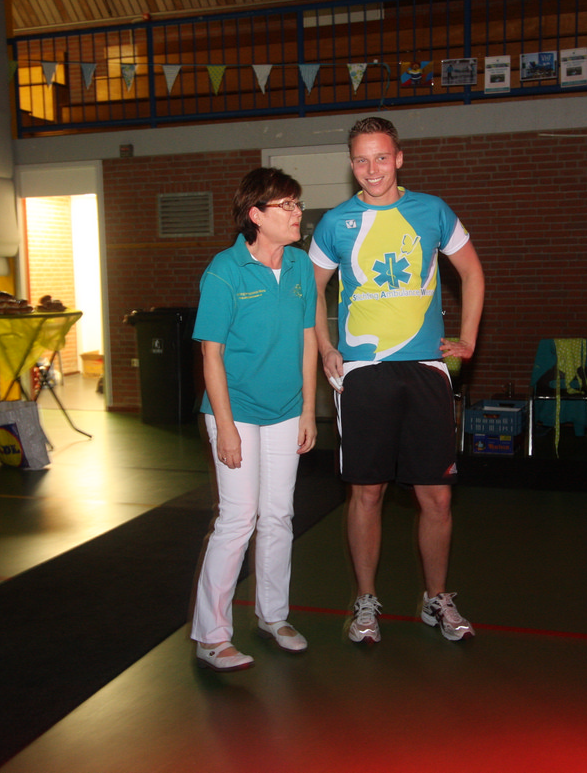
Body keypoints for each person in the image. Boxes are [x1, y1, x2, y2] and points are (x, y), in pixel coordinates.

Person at [308, 116, 485, 644]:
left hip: (426, 369)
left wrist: (468, 339)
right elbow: (310, 291)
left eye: (381, 157)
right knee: (367, 492)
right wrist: (325, 347)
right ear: (351, 164)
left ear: (399, 158)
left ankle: (437, 598)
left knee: (437, 498)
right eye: (362, 160)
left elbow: (472, 272)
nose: (372, 169)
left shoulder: (432, 211)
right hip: (363, 373)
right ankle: (365, 602)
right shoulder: (335, 223)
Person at [190, 167, 319, 671]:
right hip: (236, 411)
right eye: (286, 205)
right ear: (256, 215)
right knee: (238, 518)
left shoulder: (301, 266)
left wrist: (309, 410)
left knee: (279, 515)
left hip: (286, 411)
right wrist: (225, 427)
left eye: (297, 203)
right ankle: (211, 635)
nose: (297, 213)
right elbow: (211, 354)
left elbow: (308, 340)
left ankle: (273, 616)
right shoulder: (224, 271)